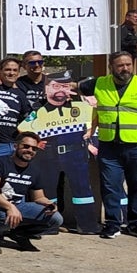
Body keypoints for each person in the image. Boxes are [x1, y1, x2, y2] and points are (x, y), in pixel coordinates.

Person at [83, 51, 137, 240]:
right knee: (110, 186)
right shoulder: (99, 83)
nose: (125, 68)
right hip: (109, 145)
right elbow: (71, 87)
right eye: (120, 65)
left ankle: (136, 224)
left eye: (128, 64)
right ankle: (112, 224)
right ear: (111, 67)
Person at [17, 70, 98, 235]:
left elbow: (96, 121)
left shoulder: (82, 106)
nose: (61, 90)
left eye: (65, 86)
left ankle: (88, 225)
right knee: (49, 192)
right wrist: (37, 143)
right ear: (47, 89)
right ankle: (49, 225)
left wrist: (91, 138)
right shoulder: (39, 111)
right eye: (56, 86)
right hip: (49, 156)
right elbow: (22, 128)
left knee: (83, 191)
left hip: (76, 155)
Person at [0, 133, 62, 254]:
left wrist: (50, 204)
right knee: (3, 217)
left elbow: (39, 197)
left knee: (56, 219)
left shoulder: (35, 170)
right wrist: (10, 207)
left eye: (34, 149)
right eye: (26, 146)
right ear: (15, 146)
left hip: (18, 207)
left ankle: (20, 234)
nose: (30, 150)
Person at [0, 58, 32, 162]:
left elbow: (29, 117)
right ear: (0, 71)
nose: (11, 73)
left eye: (15, 70)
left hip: (14, 145)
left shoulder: (20, 94)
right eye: (8, 70)